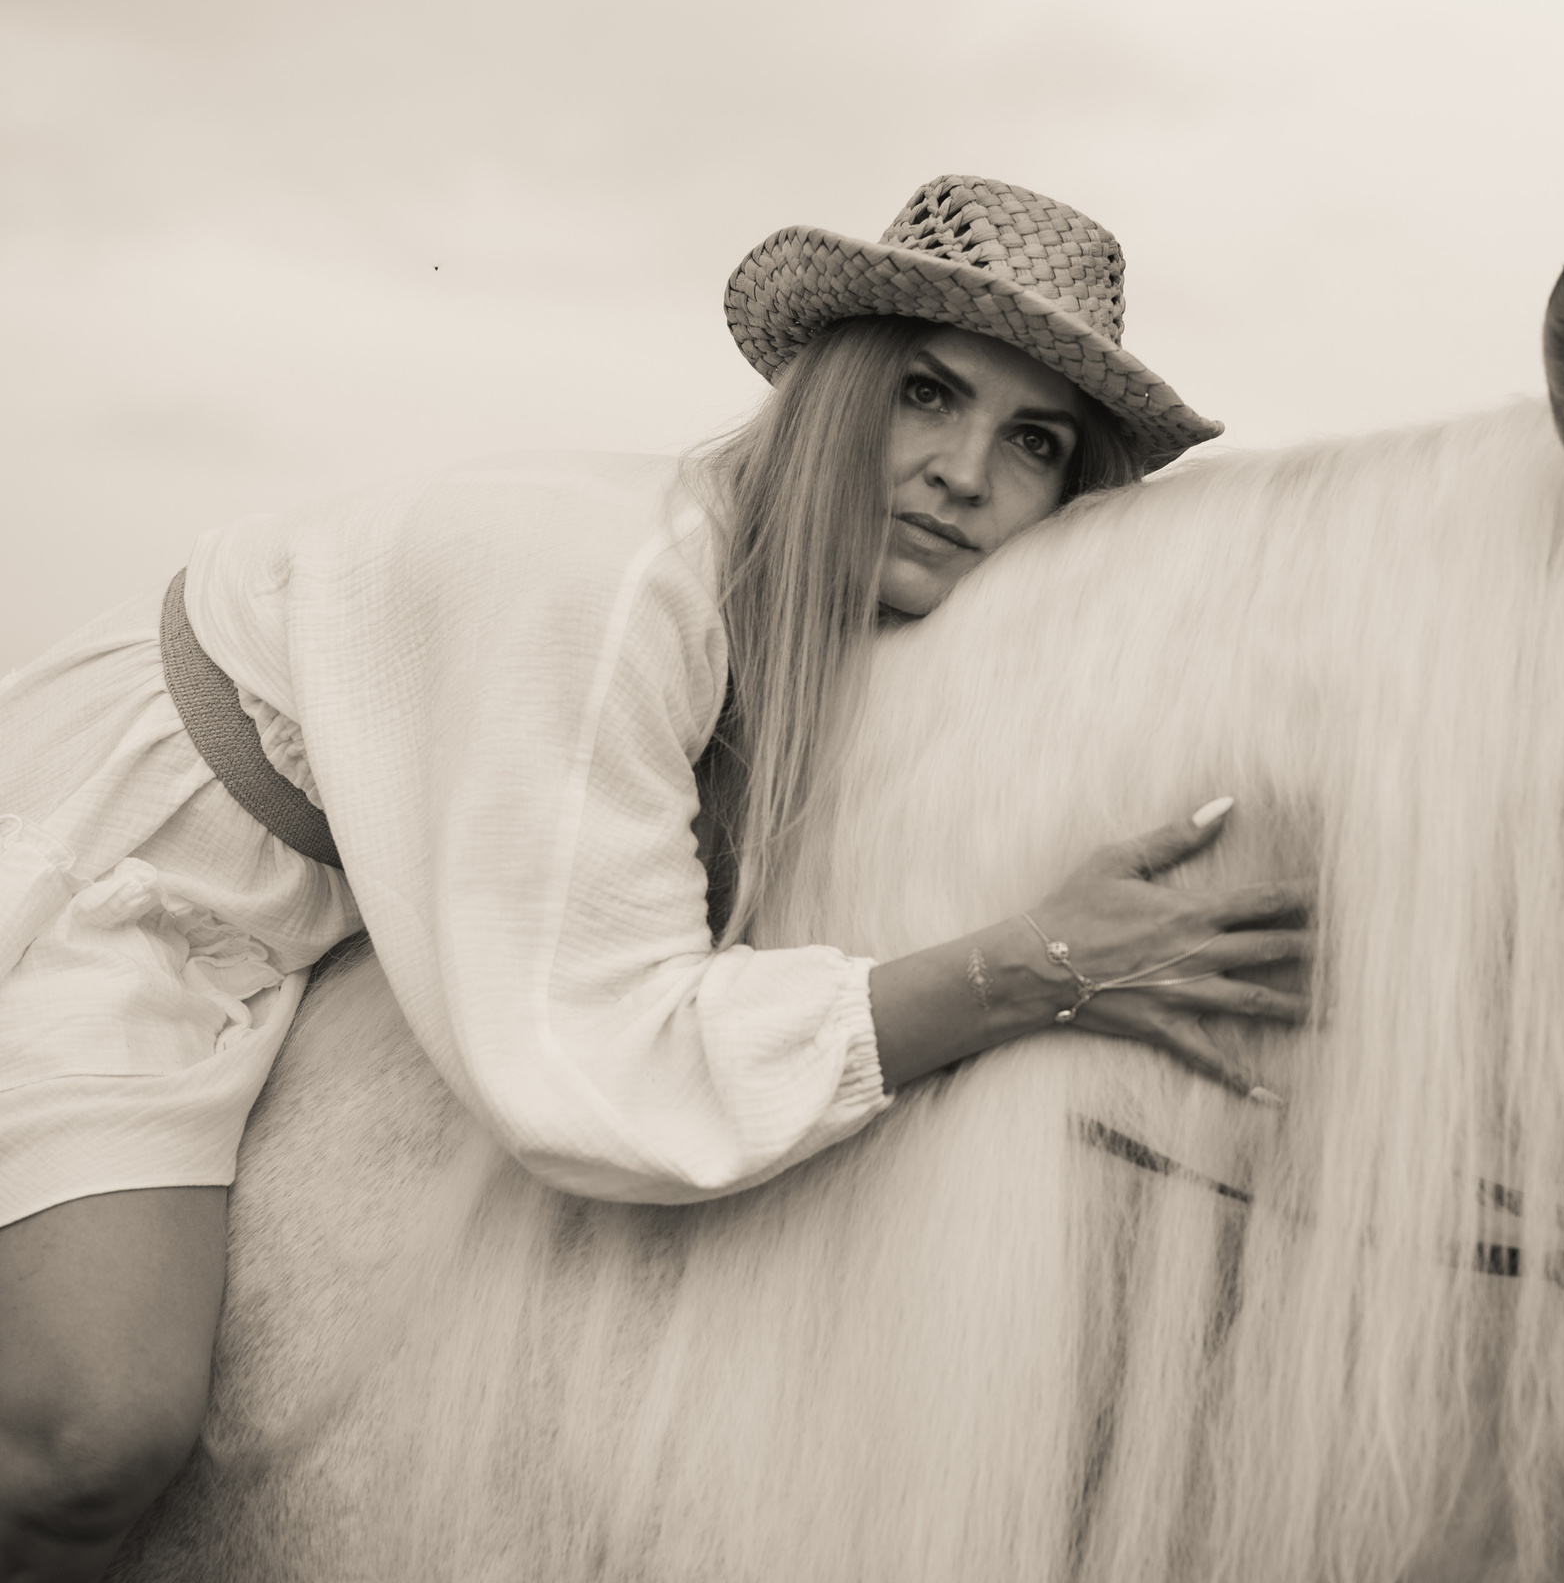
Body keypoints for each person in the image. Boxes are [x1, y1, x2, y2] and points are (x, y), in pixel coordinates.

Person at [0, 176, 1309, 1581]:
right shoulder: (616, 581)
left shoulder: (793, 612)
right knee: (91, 1433)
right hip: (117, 874)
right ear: (826, 386)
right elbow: (589, 1063)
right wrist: (1033, 969)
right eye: (926, 394)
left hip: (306, 918)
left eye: (1033, 441)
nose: (966, 472)